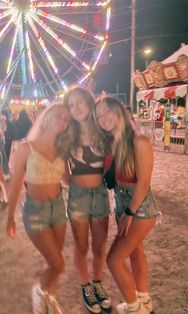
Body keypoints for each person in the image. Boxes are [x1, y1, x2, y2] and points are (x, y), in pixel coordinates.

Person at [94, 95, 160, 314]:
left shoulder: (139, 141)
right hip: (121, 203)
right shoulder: (111, 142)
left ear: (119, 110)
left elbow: (144, 183)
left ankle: (135, 309)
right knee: (135, 252)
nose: (103, 118)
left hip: (138, 207)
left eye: (107, 111)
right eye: (99, 116)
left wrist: (129, 213)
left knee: (114, 260)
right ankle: (144, 301)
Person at [6, 103, 71, 314]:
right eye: (58, 116)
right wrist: (10, 217)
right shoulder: (26, 148)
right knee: (58, 264)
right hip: (35, 211)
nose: (62, 121)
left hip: (58, 209)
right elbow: (15, 184)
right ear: (46, 117)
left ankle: (49, 297)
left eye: (66, 119)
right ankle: (39, 290)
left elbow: (68, 180)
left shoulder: (62, 149)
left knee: (54, 260)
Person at [63, 87, 111, 314]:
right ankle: (86, 287)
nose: (76, 108)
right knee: (81, 246)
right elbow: (63, 172)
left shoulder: (103, 130)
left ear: (89, 102)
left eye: (80, 102)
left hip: (100, 194)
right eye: (71, 105)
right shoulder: (67, 136)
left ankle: (98, 283)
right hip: (78, 197)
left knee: (100, 246)